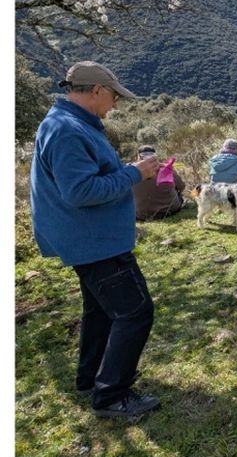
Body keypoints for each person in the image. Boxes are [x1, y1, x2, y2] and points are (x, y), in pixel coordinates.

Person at [30, 61, 162, 420]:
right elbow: (81, 190)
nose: (116, 104)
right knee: (136, 312)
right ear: (97, 91)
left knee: (102, 310)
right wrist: (134, 174)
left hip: (86, 236)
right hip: (94, 240)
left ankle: (91, 377)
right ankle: (111, 395)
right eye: (114, 96)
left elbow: (86, 178)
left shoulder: (67, 124)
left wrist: (126, 172)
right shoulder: (68, 132)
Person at [131, 145, 186, 220]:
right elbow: (182, 186)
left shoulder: (130, 172)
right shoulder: (166, 168)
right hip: (171, 210)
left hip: (141, 215)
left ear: (138, 157)